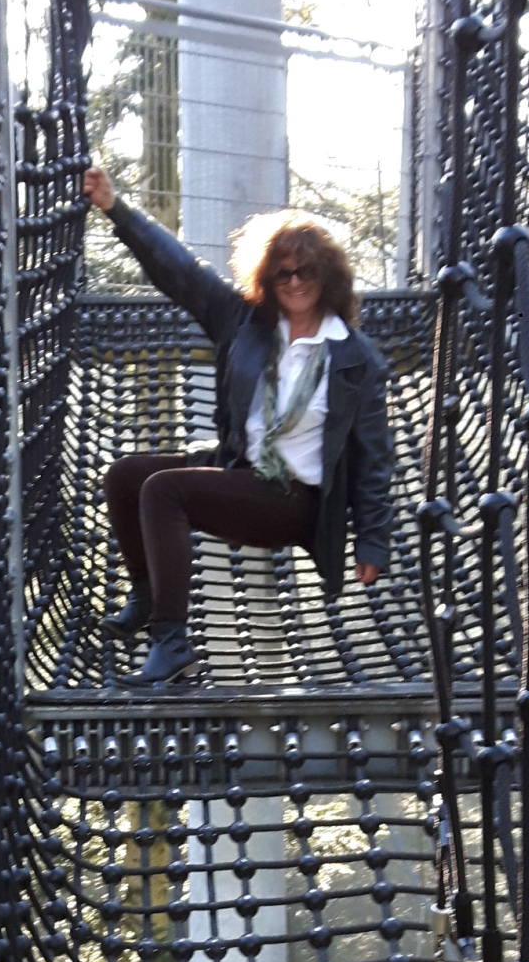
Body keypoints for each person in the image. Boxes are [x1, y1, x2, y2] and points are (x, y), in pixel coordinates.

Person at [84, 166, 393, 687]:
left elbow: (374, 457)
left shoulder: (354, 357)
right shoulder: (245, 323)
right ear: (267, 277)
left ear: (327, 278)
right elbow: (181, 271)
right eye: (283, 273)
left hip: (296, 500)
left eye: (306, 272)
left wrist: (372, 540)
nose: (294, 282)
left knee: (165, 491)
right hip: (241, 468)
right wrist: (117, 210)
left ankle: (171, 642)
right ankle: (147, 595)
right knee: (126, 476)